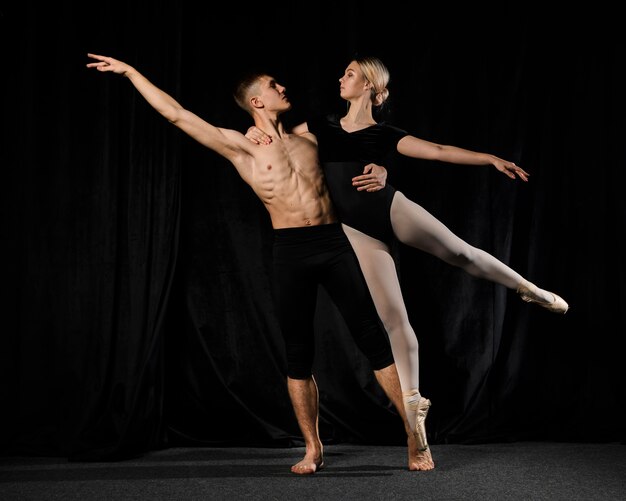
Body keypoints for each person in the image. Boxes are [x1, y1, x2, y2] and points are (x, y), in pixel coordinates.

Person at [85, 53, 435, 473]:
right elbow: (177, 115)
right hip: (291, 251)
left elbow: (369, 137)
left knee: (374, 342)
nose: (283, 88)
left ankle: (415, 440)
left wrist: (381, 166)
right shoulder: (242, 148)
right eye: (273, 85)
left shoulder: (312, 136)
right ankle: (313, 448)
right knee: (297, 355)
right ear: (256, 102)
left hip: (333, 242)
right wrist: (130, 72)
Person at [245, 55, 569, 462]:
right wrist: (252, 132)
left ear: (368, 86)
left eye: (350, 74)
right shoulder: (318, 127)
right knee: (394, 319)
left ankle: (528, 288)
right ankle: (415, 422)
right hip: (353, 228)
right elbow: (276, 140)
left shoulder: (385, 133)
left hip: (386, 206)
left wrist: (488, 158)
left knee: (460, 252)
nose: (341, 78)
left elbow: (436, 151)